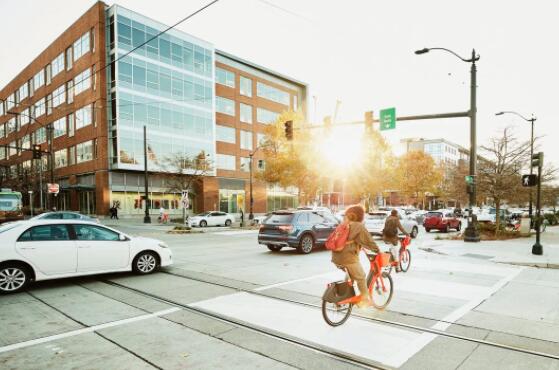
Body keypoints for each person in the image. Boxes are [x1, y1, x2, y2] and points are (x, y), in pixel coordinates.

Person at [331, 204, 379, 308]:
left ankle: (342, 295)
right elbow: (369, 241)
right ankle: (364, 300)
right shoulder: (359, 226)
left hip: (335, 257)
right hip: (348, 258)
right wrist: (378, 251)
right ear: (360, 216)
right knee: (361, 276)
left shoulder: (343, 224)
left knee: (350, 275)